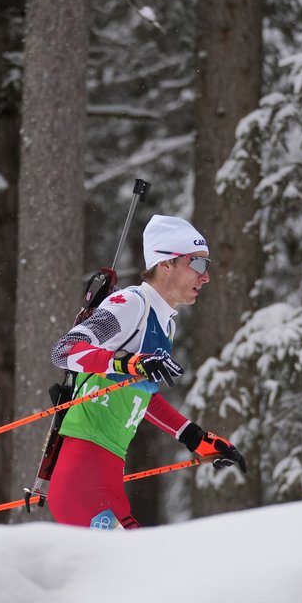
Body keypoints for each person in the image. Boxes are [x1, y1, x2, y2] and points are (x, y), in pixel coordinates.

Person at [47, 214, 247, 529]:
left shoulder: (165, 324)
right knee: (141, 558)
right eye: (197, 264)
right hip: (83, 477)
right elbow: (64, 350)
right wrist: (128, 362)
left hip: (106, 473)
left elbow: (139, 395)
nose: (206, 277)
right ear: (165, 263)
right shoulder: (131, 303)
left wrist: (195, 438)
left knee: (142, 557)